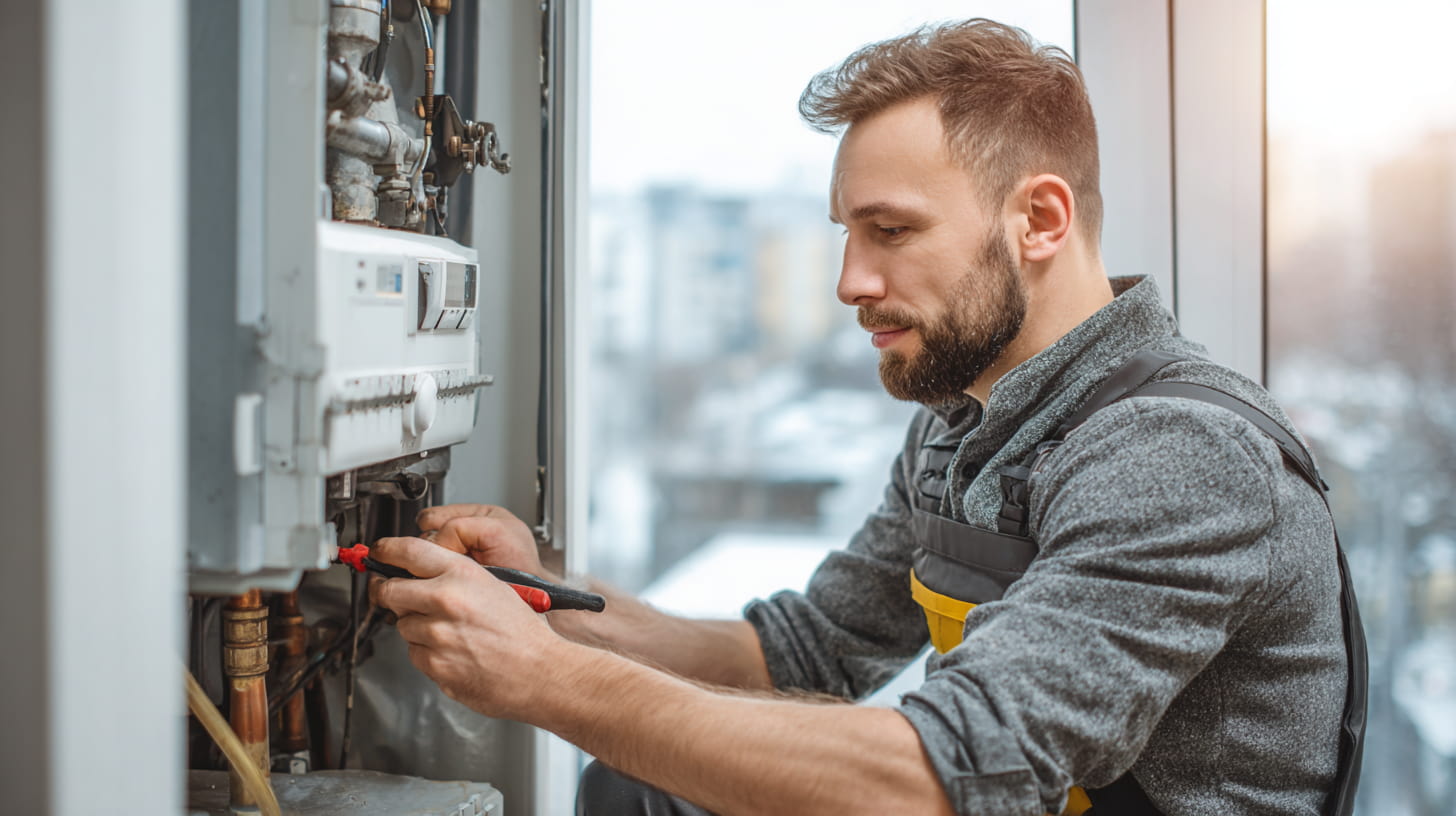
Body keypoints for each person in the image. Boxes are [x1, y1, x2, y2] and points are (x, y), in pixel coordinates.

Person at [370, 19, 1363, 815]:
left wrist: (542, 678)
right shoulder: (958, 424)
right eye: (847, 234)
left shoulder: (1181, 455)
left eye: (890, 230)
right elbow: (805, 653)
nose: (850, 281)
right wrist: (544, 603)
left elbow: (937, 778)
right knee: (639, 791)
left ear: (1040, 220)